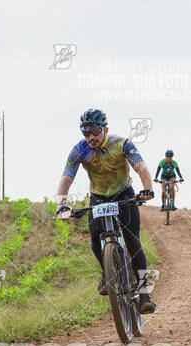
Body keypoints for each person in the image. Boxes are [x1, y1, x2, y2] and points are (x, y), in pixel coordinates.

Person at [55, 108, 156, 314]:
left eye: (95, 131)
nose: (91, 137)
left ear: (105, 129)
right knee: (94, 240)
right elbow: (66, 178)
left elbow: (141, 167)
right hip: (98, 198)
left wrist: (147, 189)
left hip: (123, 194)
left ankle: (144, 292)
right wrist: (61, 204)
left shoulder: (122, 143)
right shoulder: (79, 150)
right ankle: (107, 271)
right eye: (86, 133)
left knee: (133, 241)